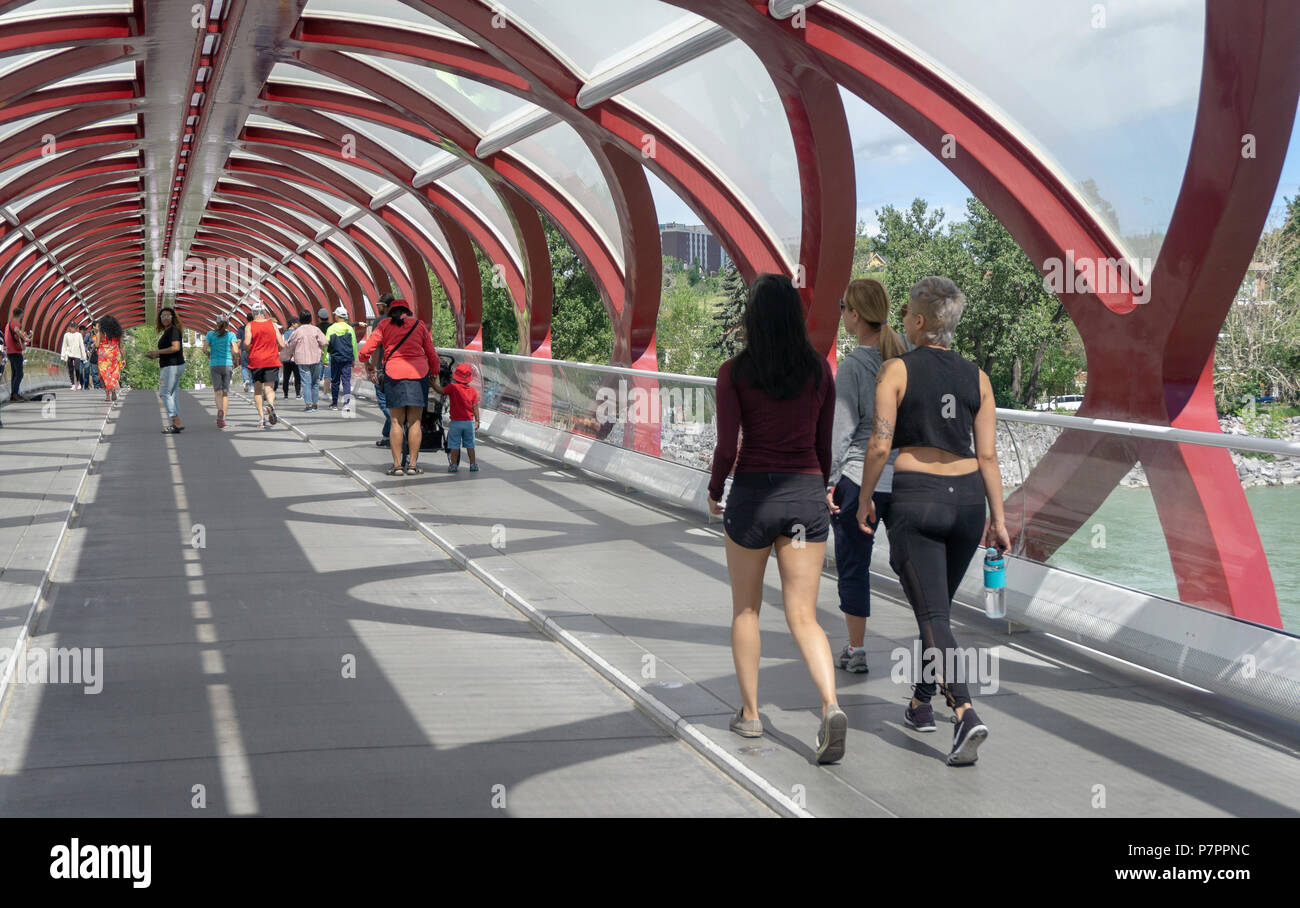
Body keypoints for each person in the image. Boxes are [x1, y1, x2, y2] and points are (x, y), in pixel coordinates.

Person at [856, 276, 1010, 767]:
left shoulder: (894, 370)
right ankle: (922, 702)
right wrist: (999, 521)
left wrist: (864, 498)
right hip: (968, 505)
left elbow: (880, 444)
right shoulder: (978, 378)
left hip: (918, 500)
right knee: (936, 608)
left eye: (905, 312)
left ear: (920, 323)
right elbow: (988, 456)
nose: (900, 319)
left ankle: (964, 710)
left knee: (935, 616)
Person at [707, 273, 846, 764]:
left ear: (752, 318)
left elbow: (728, 445)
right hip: (805, 498)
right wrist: (817, 489)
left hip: (752, 500)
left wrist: (714, 487)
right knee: (804, 615)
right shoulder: (818, 373)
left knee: (746, 610)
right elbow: (824, 446)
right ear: (795, 317)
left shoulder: (735, 372)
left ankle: (749, 715)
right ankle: (829, 704)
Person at [827, 279, 909, 674]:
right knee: (912, 564)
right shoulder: (906, 360)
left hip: (860, 478)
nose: (841, 313)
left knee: (854, 564)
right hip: (905, 479)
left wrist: (828, 481)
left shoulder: (854, 368)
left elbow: (841, 432)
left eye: (844, 307)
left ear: (856, 315)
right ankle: (934, 642)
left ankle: (856, 650)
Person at [358, 300, 437, 476]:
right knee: (415, 421)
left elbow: (365, 351)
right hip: (418, 374)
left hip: (394, 374)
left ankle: (397, 466)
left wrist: (367, 363)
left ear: (390, 312)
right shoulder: (419, 325)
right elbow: (431, 352)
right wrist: (435, 371)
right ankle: (413, 465)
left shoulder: (384, 325)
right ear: (407, 312)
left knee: (396, 422)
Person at [244, 302, 285, 428]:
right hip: (271, 360)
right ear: (264, 312)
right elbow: (282, 345)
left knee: (257, 390)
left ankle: (261, 419)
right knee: (269, 388)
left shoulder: (249, 326)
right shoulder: (273, 325)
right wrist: (274, 350)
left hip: (256, 361)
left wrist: (249, 350)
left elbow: (246, 343)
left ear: (253, 313)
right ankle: (271, 405)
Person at [433, 363, 480, 472]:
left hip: (456, 423)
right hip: (469, 423)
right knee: (470, 445)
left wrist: (433, 384)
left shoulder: (453, 387)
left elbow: (441, 391)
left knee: (454, 445)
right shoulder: (473, 391)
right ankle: (473, 464)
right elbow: (475, 407)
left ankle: (454, 465)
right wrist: (477, 421)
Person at [145, 306, 185, 432]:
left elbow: (175, 347)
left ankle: (176, 420)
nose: (165, 318)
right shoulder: (169, 330)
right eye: (162, 316)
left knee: (164, 393)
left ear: (173, 318)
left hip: (171, 366)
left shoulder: (172, 330)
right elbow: (170, 349)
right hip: (174, 365)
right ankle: (175, 422)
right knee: (172, 394)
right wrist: (157, 354)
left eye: (168, 316)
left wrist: (157, 352)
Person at [364, 294, 393, 448]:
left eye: (378, 304)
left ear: (385, 306)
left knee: (384, 403)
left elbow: (376, 346)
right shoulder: (404, 320)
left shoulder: (380, 321)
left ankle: (397, 427)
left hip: (384, 368)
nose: (377, 307)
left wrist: (372, 368)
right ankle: (387, 435)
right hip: (404, 369)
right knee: (395, 402)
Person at [284, 310, 327, 411]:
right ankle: (315, 404)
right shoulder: (316, 329)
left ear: (300, 320)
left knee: (306, 382)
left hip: (302, 360)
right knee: (315, 382)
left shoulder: (297, 331)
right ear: (311, 319)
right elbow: (324, 342)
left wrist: (289, 354)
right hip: (316, 359)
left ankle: (308, 405)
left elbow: (290, 345)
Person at [203, 315, 239, 428]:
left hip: (214, 365)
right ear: (227, 324)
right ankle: (223, 418)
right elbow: (236, 350)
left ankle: (219, 410)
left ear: (216, 323)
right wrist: (234, 357)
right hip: (227, 364)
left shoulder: (210, 334)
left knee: (217, 392)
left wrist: (209, 354)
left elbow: (204, 349)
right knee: (225, 393)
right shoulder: (231, 335)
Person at [325, 305, 357, 410]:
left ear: (337, 316)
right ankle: (346, 404)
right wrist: (354, 359)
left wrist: (325, 358)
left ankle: (334, 404)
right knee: (346, 381)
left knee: (335, 381)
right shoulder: (349, 328)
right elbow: (354, 345)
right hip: (347, 358)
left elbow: (326, 344)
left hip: (335, 358)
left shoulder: (331, 328)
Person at [5, 305, 30, 401]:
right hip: (15, 352)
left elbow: (14, 335)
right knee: (19, 374)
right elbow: (17, 330)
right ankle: (15, 394)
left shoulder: (8, 324)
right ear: (21, 315)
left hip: (9, 352)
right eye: (22, 315)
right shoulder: (16, 323)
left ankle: (14, 394)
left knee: (15, 374)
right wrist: (25, 338)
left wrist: (22, 337)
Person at [96, 315, 123, 405]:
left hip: (103, 355)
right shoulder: (118, 333)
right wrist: (124, 359)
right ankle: (114, 388)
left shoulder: (101, 332)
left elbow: (96, 345)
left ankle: (107, 395)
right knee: (114, 373)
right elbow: (121, 347)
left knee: (104, 375)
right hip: (114, 355)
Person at [61, 322, 88, 390]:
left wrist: (84, 357)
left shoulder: (78, 335)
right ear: (69, 327)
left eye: (74, 326)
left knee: (77, 369)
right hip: (69, 354)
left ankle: (78, 382)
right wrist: (63, 355)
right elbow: (64, 345)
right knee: (70, 369)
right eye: (71, 326)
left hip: (77, 354)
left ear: (76, 327)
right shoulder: (66, 335)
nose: (72, 328)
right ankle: (73, 384)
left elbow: (81, 346)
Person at [280, 319, 301, 399]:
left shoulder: (284, 333)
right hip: (295, 358)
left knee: (286, 377)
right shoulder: (296, 333)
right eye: (297, 323)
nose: (298, 325)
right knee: (297, 377)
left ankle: (286, 394)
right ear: (293, 324)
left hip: (286, 358)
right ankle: (298, 394)